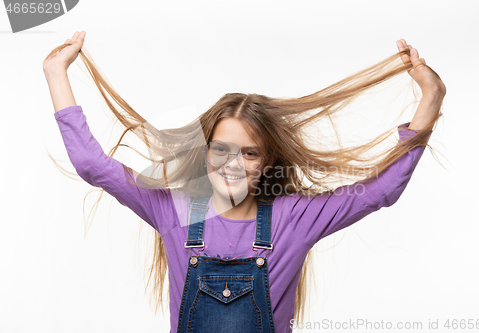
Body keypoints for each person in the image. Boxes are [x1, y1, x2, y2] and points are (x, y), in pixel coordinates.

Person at [43, 31, 446, 333]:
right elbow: (93, 165)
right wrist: (56, 73)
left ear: (267, 161)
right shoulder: (175, 210)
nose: (232, 164)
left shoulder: (295, 218)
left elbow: (380, 190)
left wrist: (431, 97)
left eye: (249, 153)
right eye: (220, 150)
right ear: (204, 153)